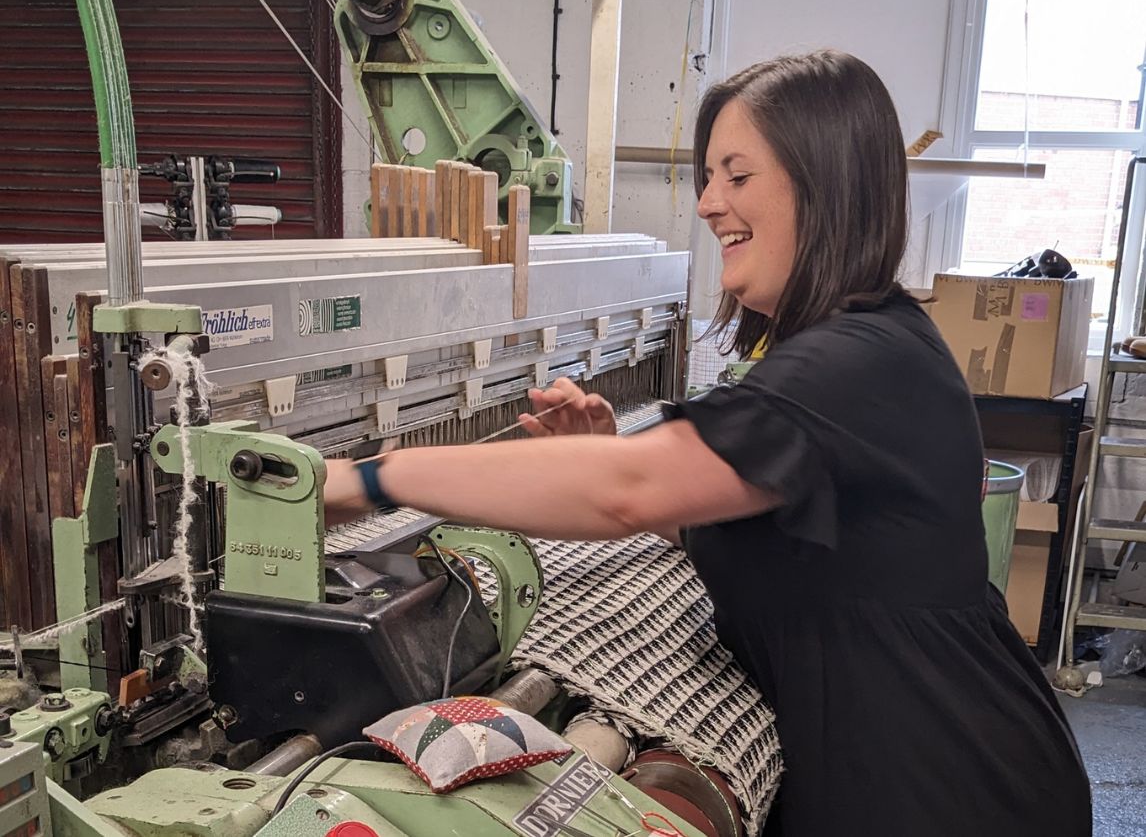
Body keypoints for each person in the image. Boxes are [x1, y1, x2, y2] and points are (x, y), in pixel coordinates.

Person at [324, 50, 1092, 836]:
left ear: (823, 184)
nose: (708, 202)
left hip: (956, 792)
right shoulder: (861, 346)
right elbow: (744, 532)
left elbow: (628, 492)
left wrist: (375, 478)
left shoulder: (855, 364)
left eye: (737, 175)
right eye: (708, 176)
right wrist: (603, 465)